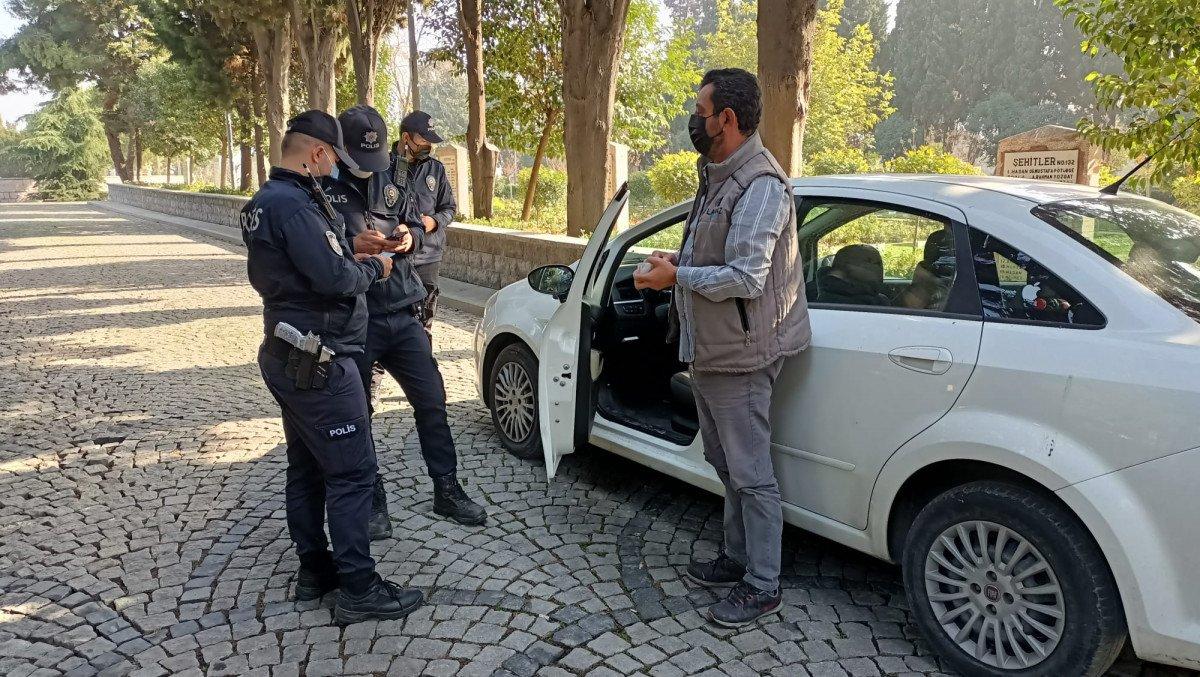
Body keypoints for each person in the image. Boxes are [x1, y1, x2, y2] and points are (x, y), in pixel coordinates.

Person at [634, 68, 810, 628]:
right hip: (711, 351)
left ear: (726, 120)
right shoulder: (718, 176)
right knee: (725, 464)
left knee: (751, 472)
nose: (695, 120)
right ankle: (737, 559)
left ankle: (763, 583)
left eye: (700, 111)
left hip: (742, 355)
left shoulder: (760, 186)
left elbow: (746, 276)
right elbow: (713, 256)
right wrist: (676, 265)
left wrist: (675, 279)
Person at [241, 109, 423, 623]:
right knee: (351, 473)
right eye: (332, 158)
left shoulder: (266, 201)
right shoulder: (295, 205)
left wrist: (349, 244)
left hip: (289, 353)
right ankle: (359, 588)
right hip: (321, 360)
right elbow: (334, 280)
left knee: (305, 466)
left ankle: (314, 571)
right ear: (318, 154)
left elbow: (300, 263)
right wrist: (375, 264)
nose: (334, 168)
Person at [324, 105, 487, 532]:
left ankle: (446, 489)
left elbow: (416, 222)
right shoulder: (320, 188)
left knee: (432, 401)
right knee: (359, 411)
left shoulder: (392, 174)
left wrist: (409, 237)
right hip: (355, 319)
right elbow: (310, 251)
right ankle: (372, 498)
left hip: (402, 308)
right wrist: (350, 243)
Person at [393, 111, 456, 338]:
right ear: (406, 138)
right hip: (395, 257)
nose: (428, 145)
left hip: (428, 256)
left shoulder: (435, 170)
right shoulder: (385, 167)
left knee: (423, 322)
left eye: (430, 141)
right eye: (423, 140)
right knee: (390, 319)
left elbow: (449, 208)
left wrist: (434, 222)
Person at [816, 244, 892, 306]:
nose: (879, 268)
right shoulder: (879, 302)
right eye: (875, 263)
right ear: (848, 267)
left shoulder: (823, 299)